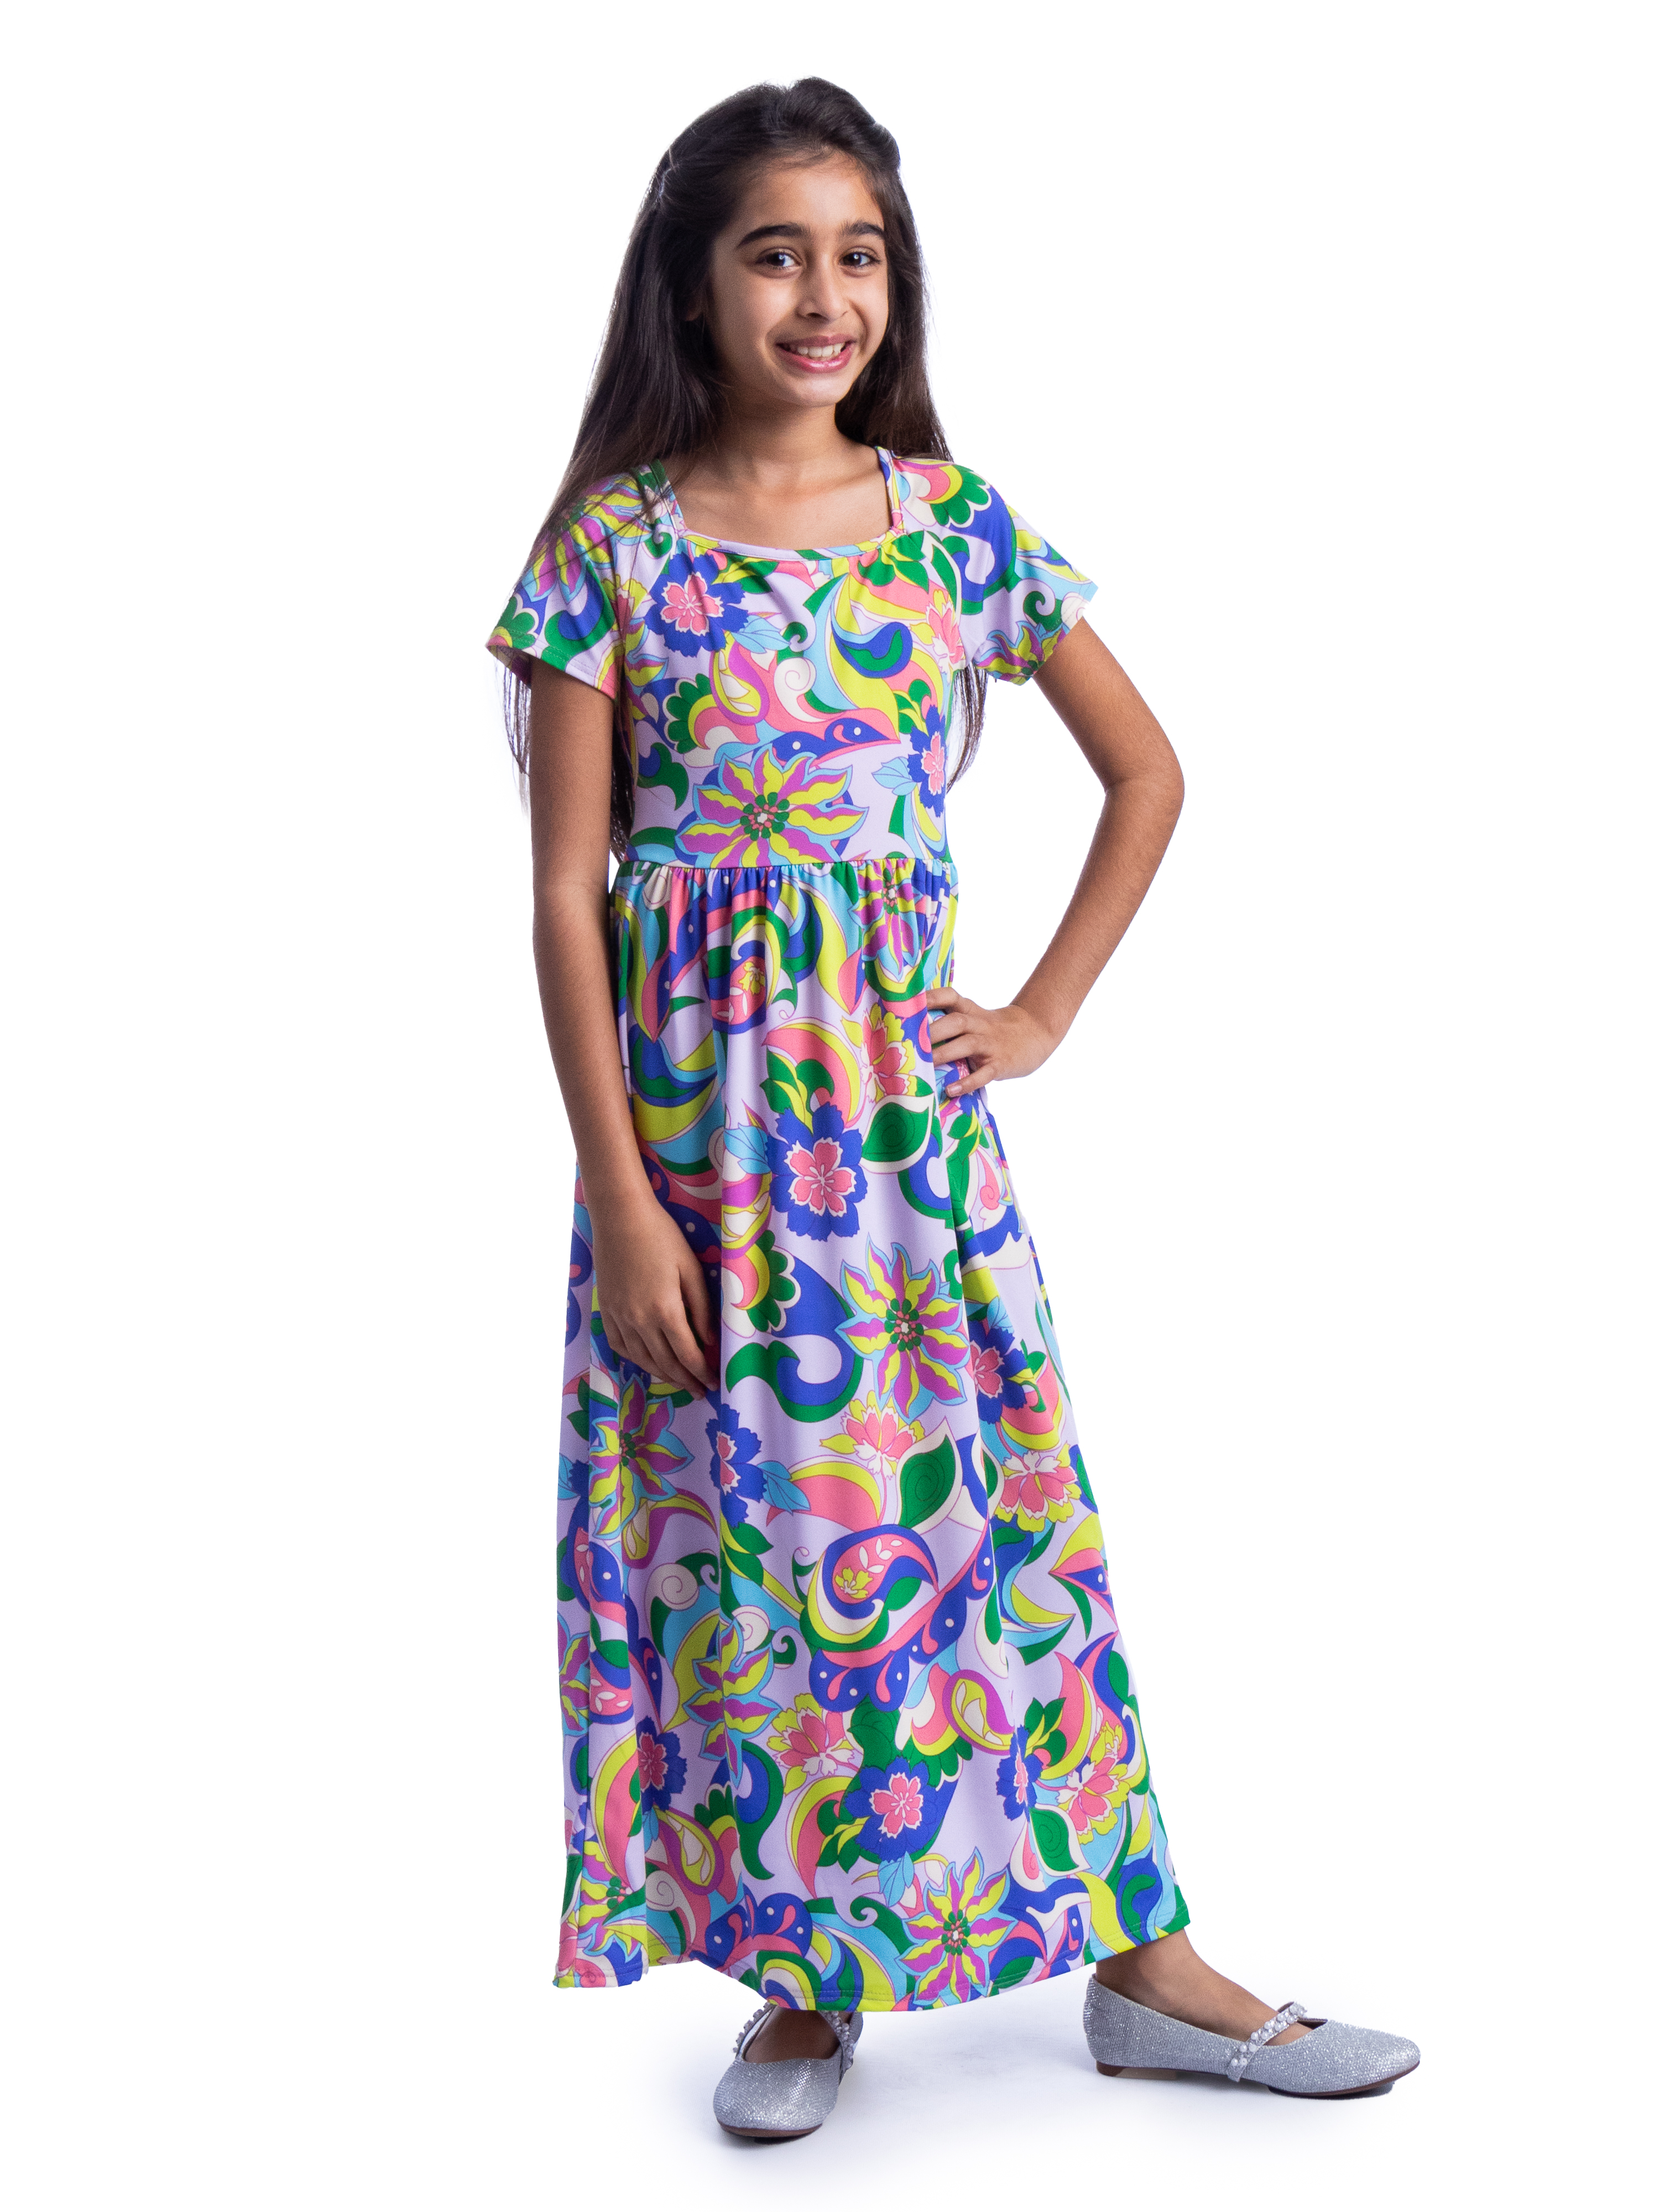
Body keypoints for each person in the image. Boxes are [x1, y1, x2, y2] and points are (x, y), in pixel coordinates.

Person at [488, 76, 1419, 2137]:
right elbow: (562, 892)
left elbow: (1149, 770)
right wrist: (621, 1198)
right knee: (750, 1550)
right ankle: (807, 1974)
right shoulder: (613, 549)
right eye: (776, 253)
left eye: (861, 255)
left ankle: (1146, 1967)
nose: (824, 295)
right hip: (700, 1166)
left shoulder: (952, 523)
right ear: (693, 284)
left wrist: (1045, 1012)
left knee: (1003, 1533)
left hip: (907, 1163)